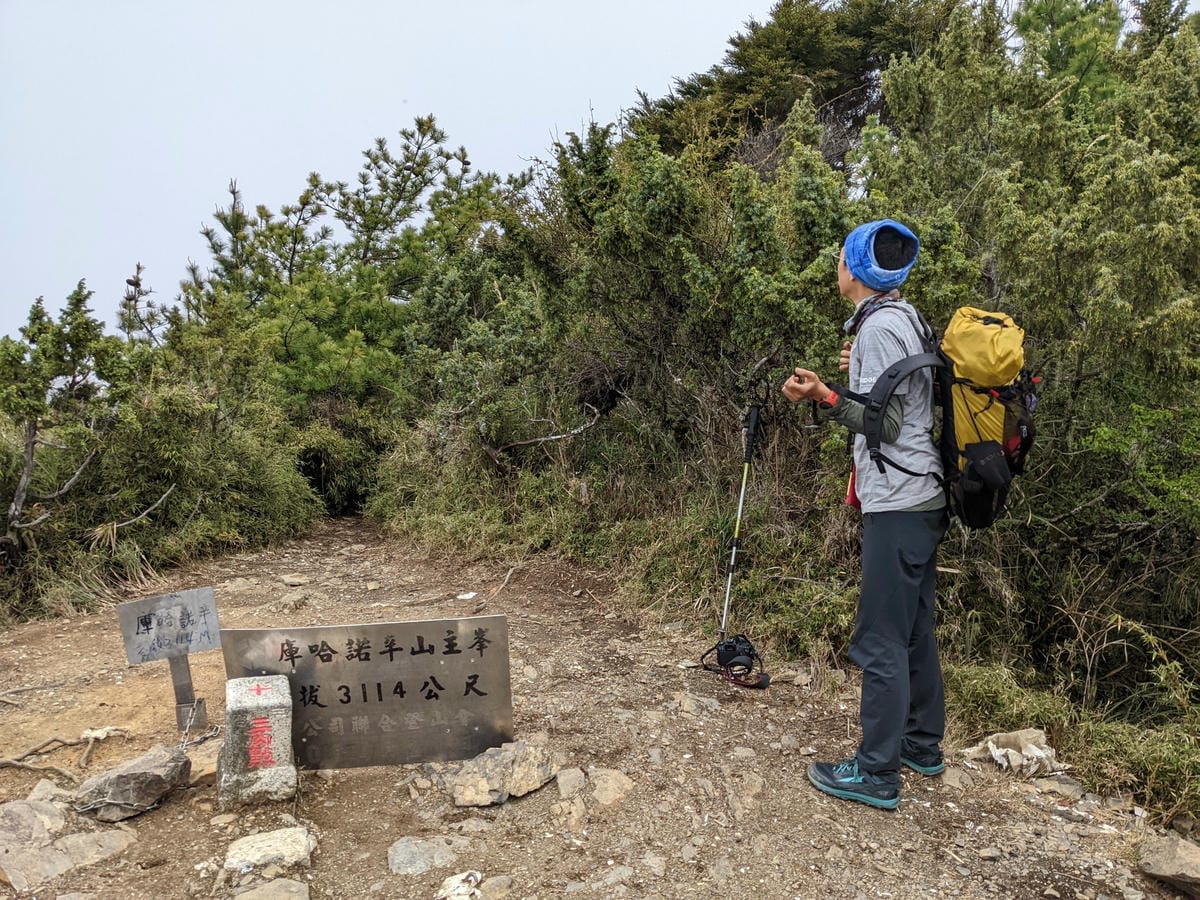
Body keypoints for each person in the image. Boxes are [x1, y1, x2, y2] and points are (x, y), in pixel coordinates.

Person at [781, 218, 949, 810]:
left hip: (898, 502)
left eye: (840, 258)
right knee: (913, 628)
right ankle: (922, 744)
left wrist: (825, 397)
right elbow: (901, 400)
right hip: (926, 495)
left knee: (879, 638)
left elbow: (888, 424)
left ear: (854, 268)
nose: (836, 267)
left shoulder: (881, 328)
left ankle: (876, 771)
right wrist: (852, 382)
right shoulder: (905, 317)